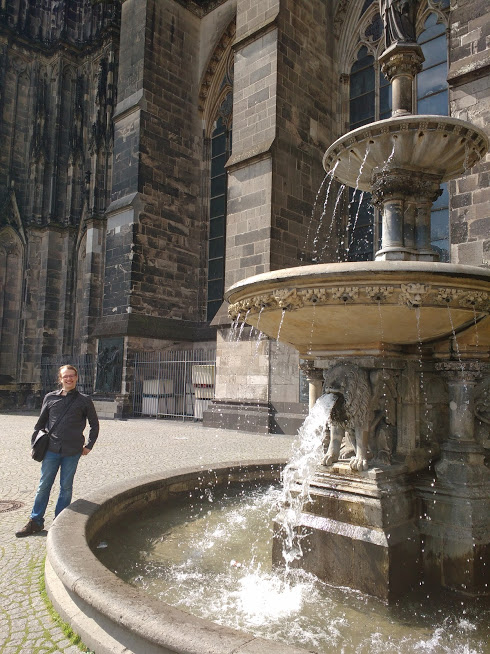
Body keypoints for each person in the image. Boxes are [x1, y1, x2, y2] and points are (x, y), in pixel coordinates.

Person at [15, 364, 99, 537]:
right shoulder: (50, 398)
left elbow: (94, 425)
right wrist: (35, 445)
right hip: (51, 449)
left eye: (72, 376)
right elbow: (39, 425)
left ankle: (59, 523)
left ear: (76, 378)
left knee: (66, 487)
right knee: (43, 486)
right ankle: (35, 521)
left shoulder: (84, 400)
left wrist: (89, 446)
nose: (69, 379)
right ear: (60, 379)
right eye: (65, 376)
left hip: (73, 450)